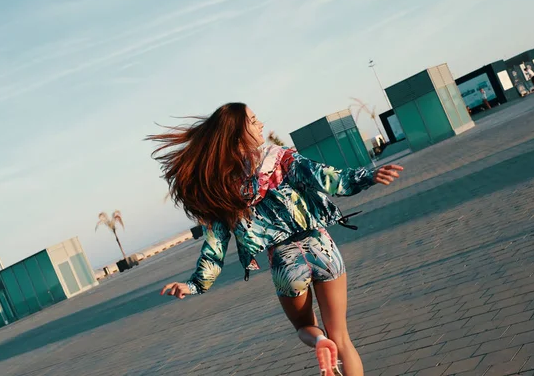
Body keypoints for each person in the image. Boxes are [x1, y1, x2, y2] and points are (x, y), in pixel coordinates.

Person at [147, 103, 403, 376]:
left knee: (305, 329)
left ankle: (319, 341)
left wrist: (195, 285)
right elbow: (328, 178)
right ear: (236, 133)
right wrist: (368, 176)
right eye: (253, 121)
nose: (260, 125)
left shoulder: (221, 187)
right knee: (342, 338)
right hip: (322, 248)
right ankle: (330, 342)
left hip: (285, 263)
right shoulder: (280, 156)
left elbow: (215, 245)